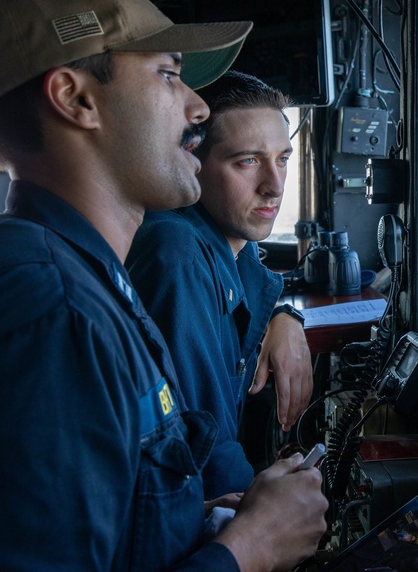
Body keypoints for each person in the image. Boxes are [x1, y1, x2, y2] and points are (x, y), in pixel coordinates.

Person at [0, 0, 327, 571]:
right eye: (169, 75)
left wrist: (198, 523)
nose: (199, 108)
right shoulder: (53, 315)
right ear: (76, 100)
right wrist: (247, 551)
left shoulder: (78, 275)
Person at [126, 70, 313, 498]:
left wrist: (284, 316)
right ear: (191, 161)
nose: (275, 186)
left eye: (282, 158)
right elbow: (206, 448)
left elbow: (257, 280)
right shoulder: (177, 253)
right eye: (247, 161)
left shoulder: (230, 245)